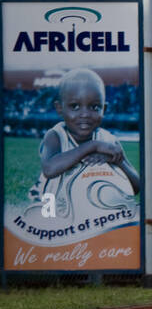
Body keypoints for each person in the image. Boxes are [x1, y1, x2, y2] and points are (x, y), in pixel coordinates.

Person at [29, 68, 140, 222]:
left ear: (104, 109)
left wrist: (117, 160)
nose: (85, 114)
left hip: (86, 205)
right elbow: (49, 169)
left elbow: (136, 187)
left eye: (94, 107)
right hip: (49, 206)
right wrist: (93, 146)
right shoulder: (55, 136)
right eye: (75, 106)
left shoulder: (109, 140)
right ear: (59, 108)